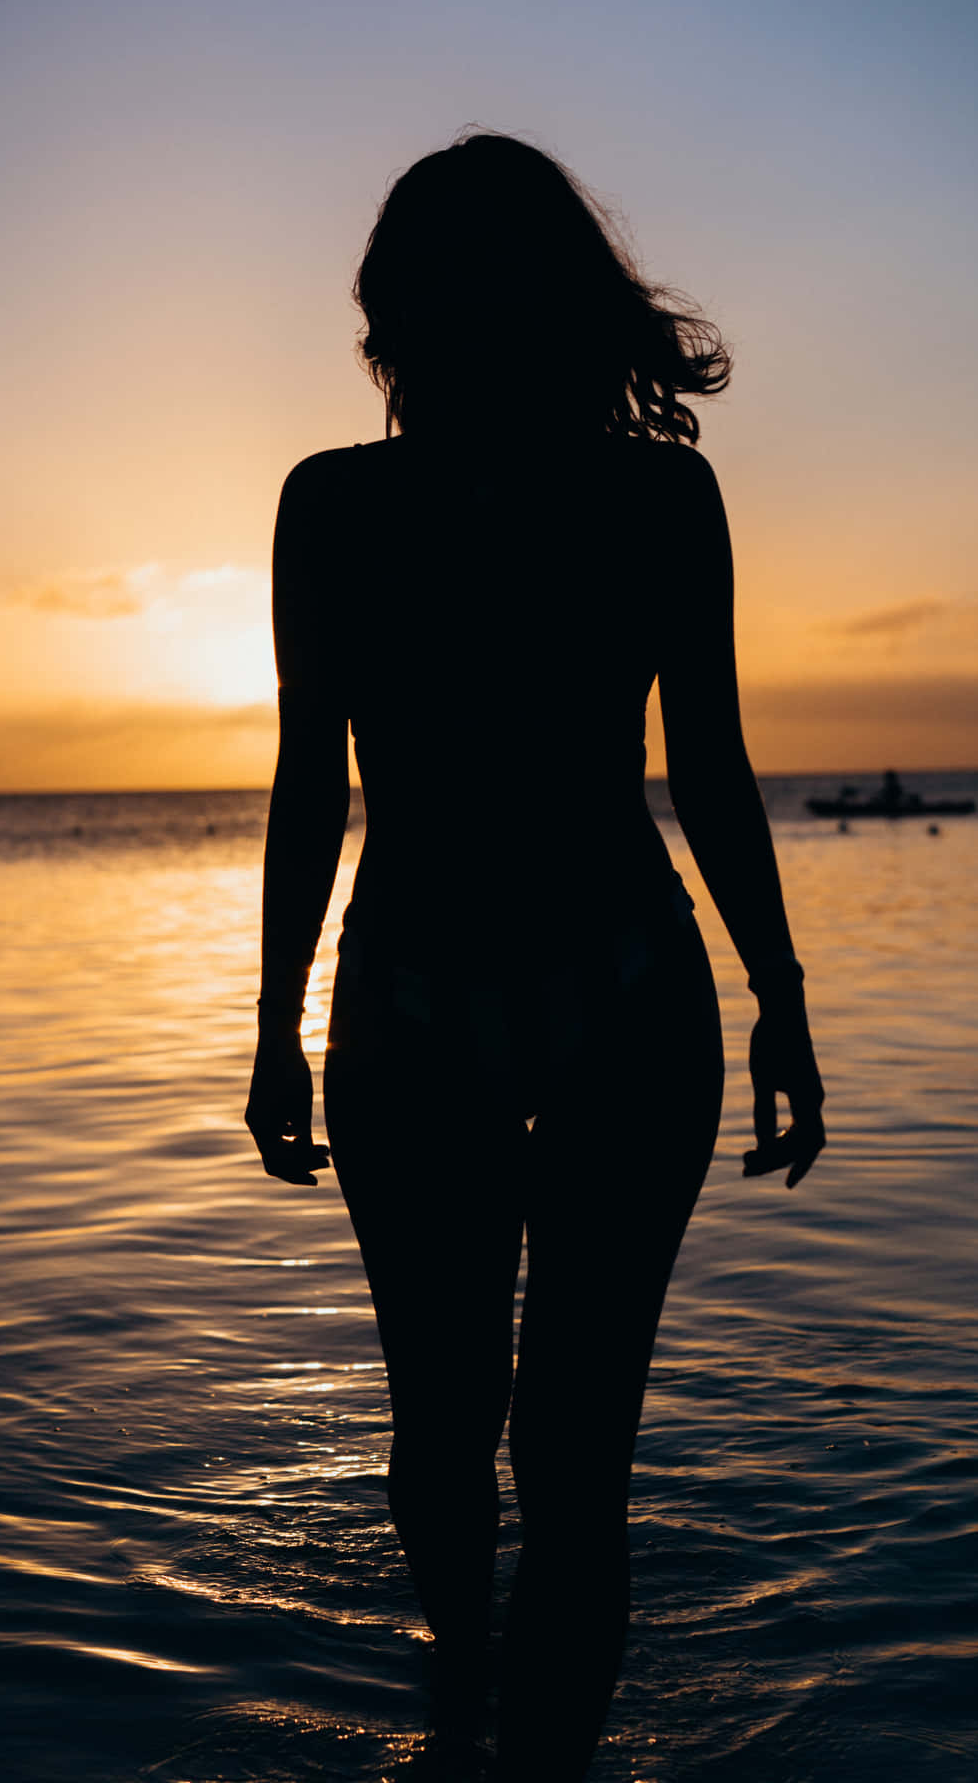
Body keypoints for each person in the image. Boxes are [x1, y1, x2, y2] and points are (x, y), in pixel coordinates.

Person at [244, 131, 825, 1779]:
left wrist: (781, 994)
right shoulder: (334, 505)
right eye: (427, 296)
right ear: (398, 320)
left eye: (485, 286)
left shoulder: (657, 496)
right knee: (441, 1445)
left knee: (573, 1457)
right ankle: (464, 1692)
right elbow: (311, 778)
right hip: (414, 1008)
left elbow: (706, 760)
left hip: (632, 996)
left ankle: (539, 1759)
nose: (447, 324)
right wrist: (274, 1021)